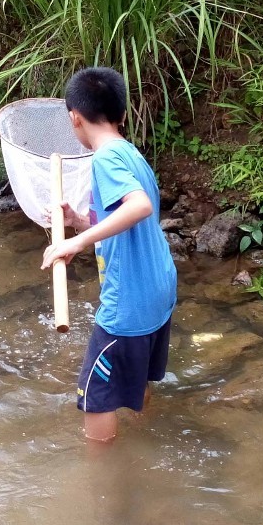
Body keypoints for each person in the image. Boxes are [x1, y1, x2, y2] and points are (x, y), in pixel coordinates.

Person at [41, 67, 177, 443]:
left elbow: (139, 206)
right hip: (158, 290)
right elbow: (124, 220)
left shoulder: (104, 159)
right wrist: (78, 221)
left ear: (75, 117)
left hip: (129, 303)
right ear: (122, 114)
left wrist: (76, 243)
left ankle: (106, 473)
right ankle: (146, 440)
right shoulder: (129, 152)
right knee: (137, 375)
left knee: (95, 399)